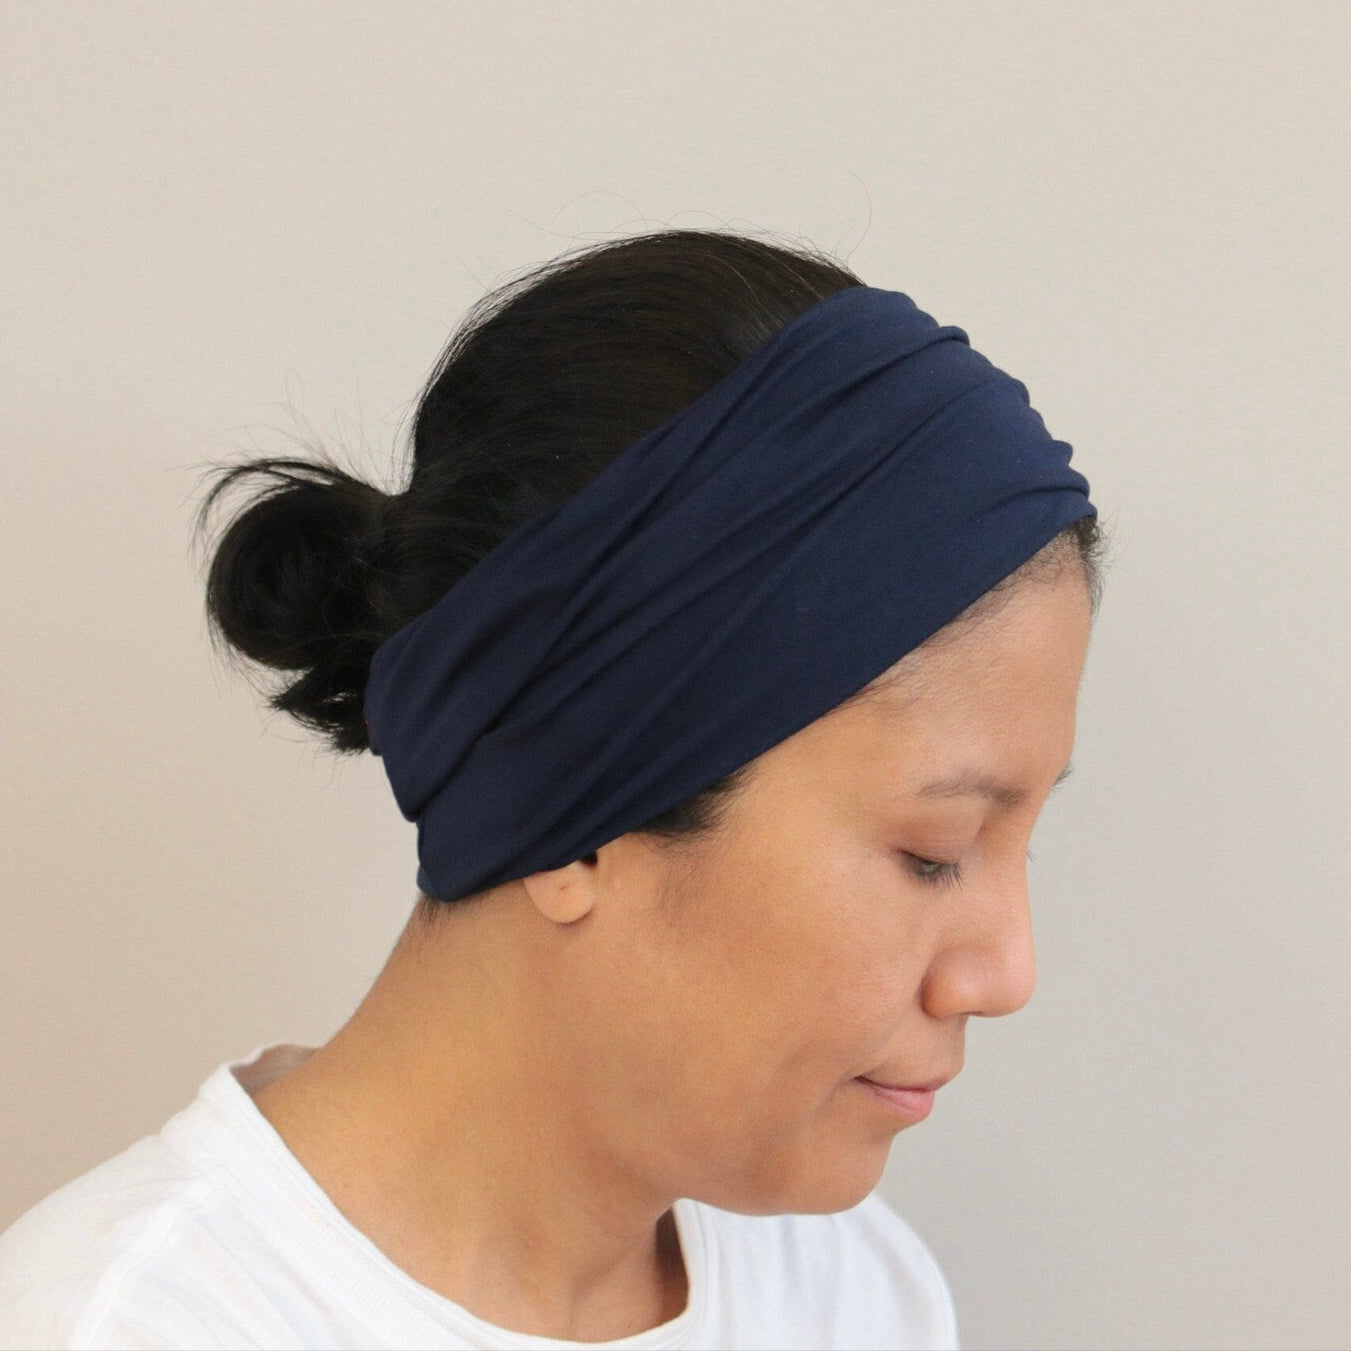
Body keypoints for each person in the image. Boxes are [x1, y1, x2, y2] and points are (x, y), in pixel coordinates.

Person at [0, 228, 1109, 1350]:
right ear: (573, 808)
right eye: (933, 851)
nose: (1006, 974)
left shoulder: (853, 1293)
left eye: (1020, 843)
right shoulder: (137, 1325)